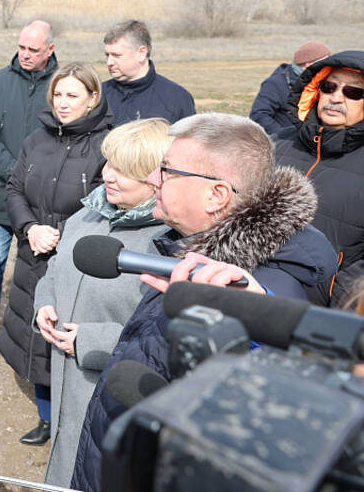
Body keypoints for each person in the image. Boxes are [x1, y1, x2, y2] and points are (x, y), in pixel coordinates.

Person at [71, 113, 338, 492]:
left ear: (217, 195)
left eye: (167, 170)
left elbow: (274, 408)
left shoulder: (259, 286)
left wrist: (259, 323)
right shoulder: (192, 249)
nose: (152, 179)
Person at [33, 118, 172, 487]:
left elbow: (163, 337)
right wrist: (44, 305)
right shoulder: (85, 215)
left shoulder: (166, 245)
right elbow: (52, 272)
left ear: (156, 178)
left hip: (112, 397)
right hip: (65, 383)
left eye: (124, 170)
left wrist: (91, 341)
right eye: (109, 163)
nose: (108, 175)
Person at [0, 61, 114, 446]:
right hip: (33, 253)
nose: (63, 103)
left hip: (77, 263)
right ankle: (47, 419)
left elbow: (106, 207)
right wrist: (30, 228)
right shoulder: (37, 139)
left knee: (69, 341)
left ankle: (79, 423)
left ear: (93, 98)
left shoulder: (106, 145)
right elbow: (14, 189)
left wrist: (61, 235)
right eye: (58, 95)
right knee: (37, 337)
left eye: (73, 95)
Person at [0, 20, 58, 364]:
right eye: (21, 47)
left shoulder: (61, 86)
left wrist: (33, 177)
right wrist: (14, 171)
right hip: (0, 198)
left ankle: (37, 332)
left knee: (38, 269)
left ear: (50, 49)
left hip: (40, 201)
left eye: (33, 49)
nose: (25, 54)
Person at [274, 50, 364, 307]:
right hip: (253, 295)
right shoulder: (278, 142)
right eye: (329, 86)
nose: (336, 97)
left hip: (323, 315)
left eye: (354, 92)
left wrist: (338, 303)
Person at [101, 20, 195, 124]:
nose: (109, 62)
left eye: (116, 55)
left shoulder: (177, 98)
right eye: (107, 55)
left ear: (141, 53)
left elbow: (191, 139)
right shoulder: (98, 96)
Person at [249, 40, 330, 134]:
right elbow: (259, 115)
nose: (327, 65)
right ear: (309, 64)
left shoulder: (319, 81)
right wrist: (284, 138)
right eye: (324, 62)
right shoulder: (275, 83)